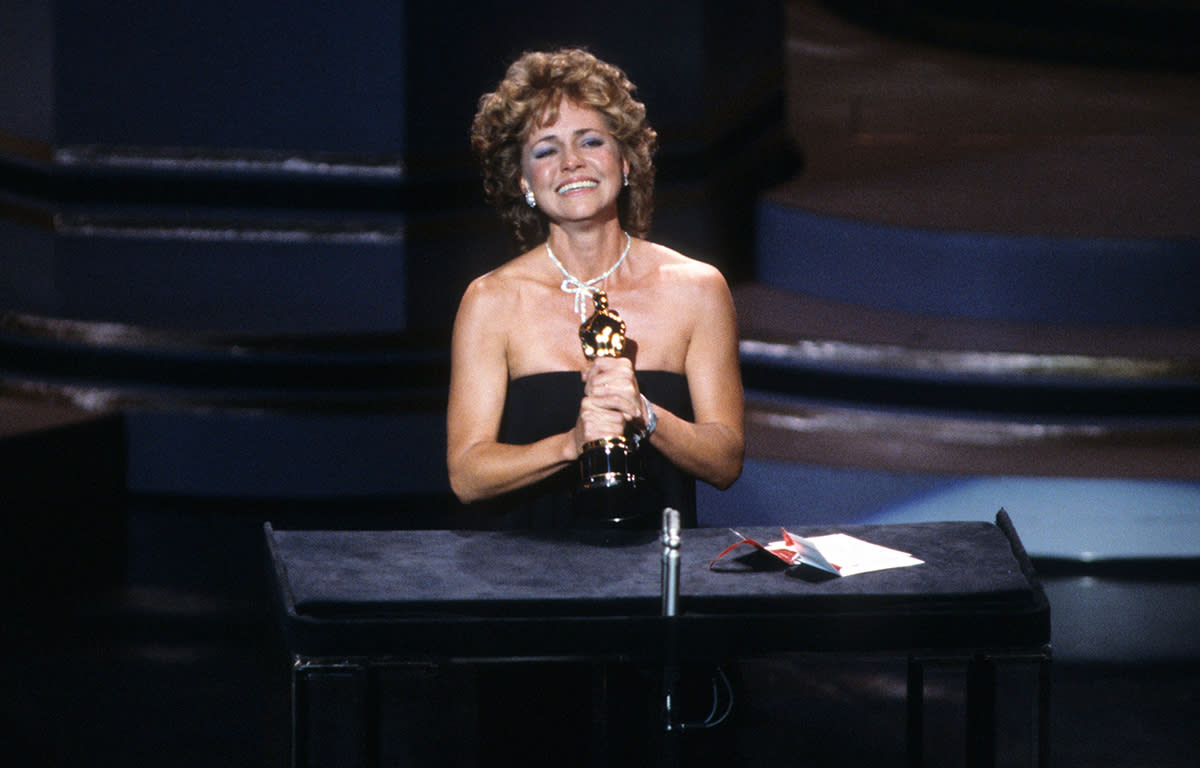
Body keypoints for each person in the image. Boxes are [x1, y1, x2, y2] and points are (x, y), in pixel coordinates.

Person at [447, 48, 744, 530]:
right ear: (523, 180)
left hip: (655, 579)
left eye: (589, 141)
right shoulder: (490, 301)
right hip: (527, 581)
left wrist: (645, 415)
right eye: (546, 150)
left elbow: (726, 461)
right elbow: (467, 475)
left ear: (626, 162)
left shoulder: (698, 289)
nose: (571, 163)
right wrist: (571, 443)